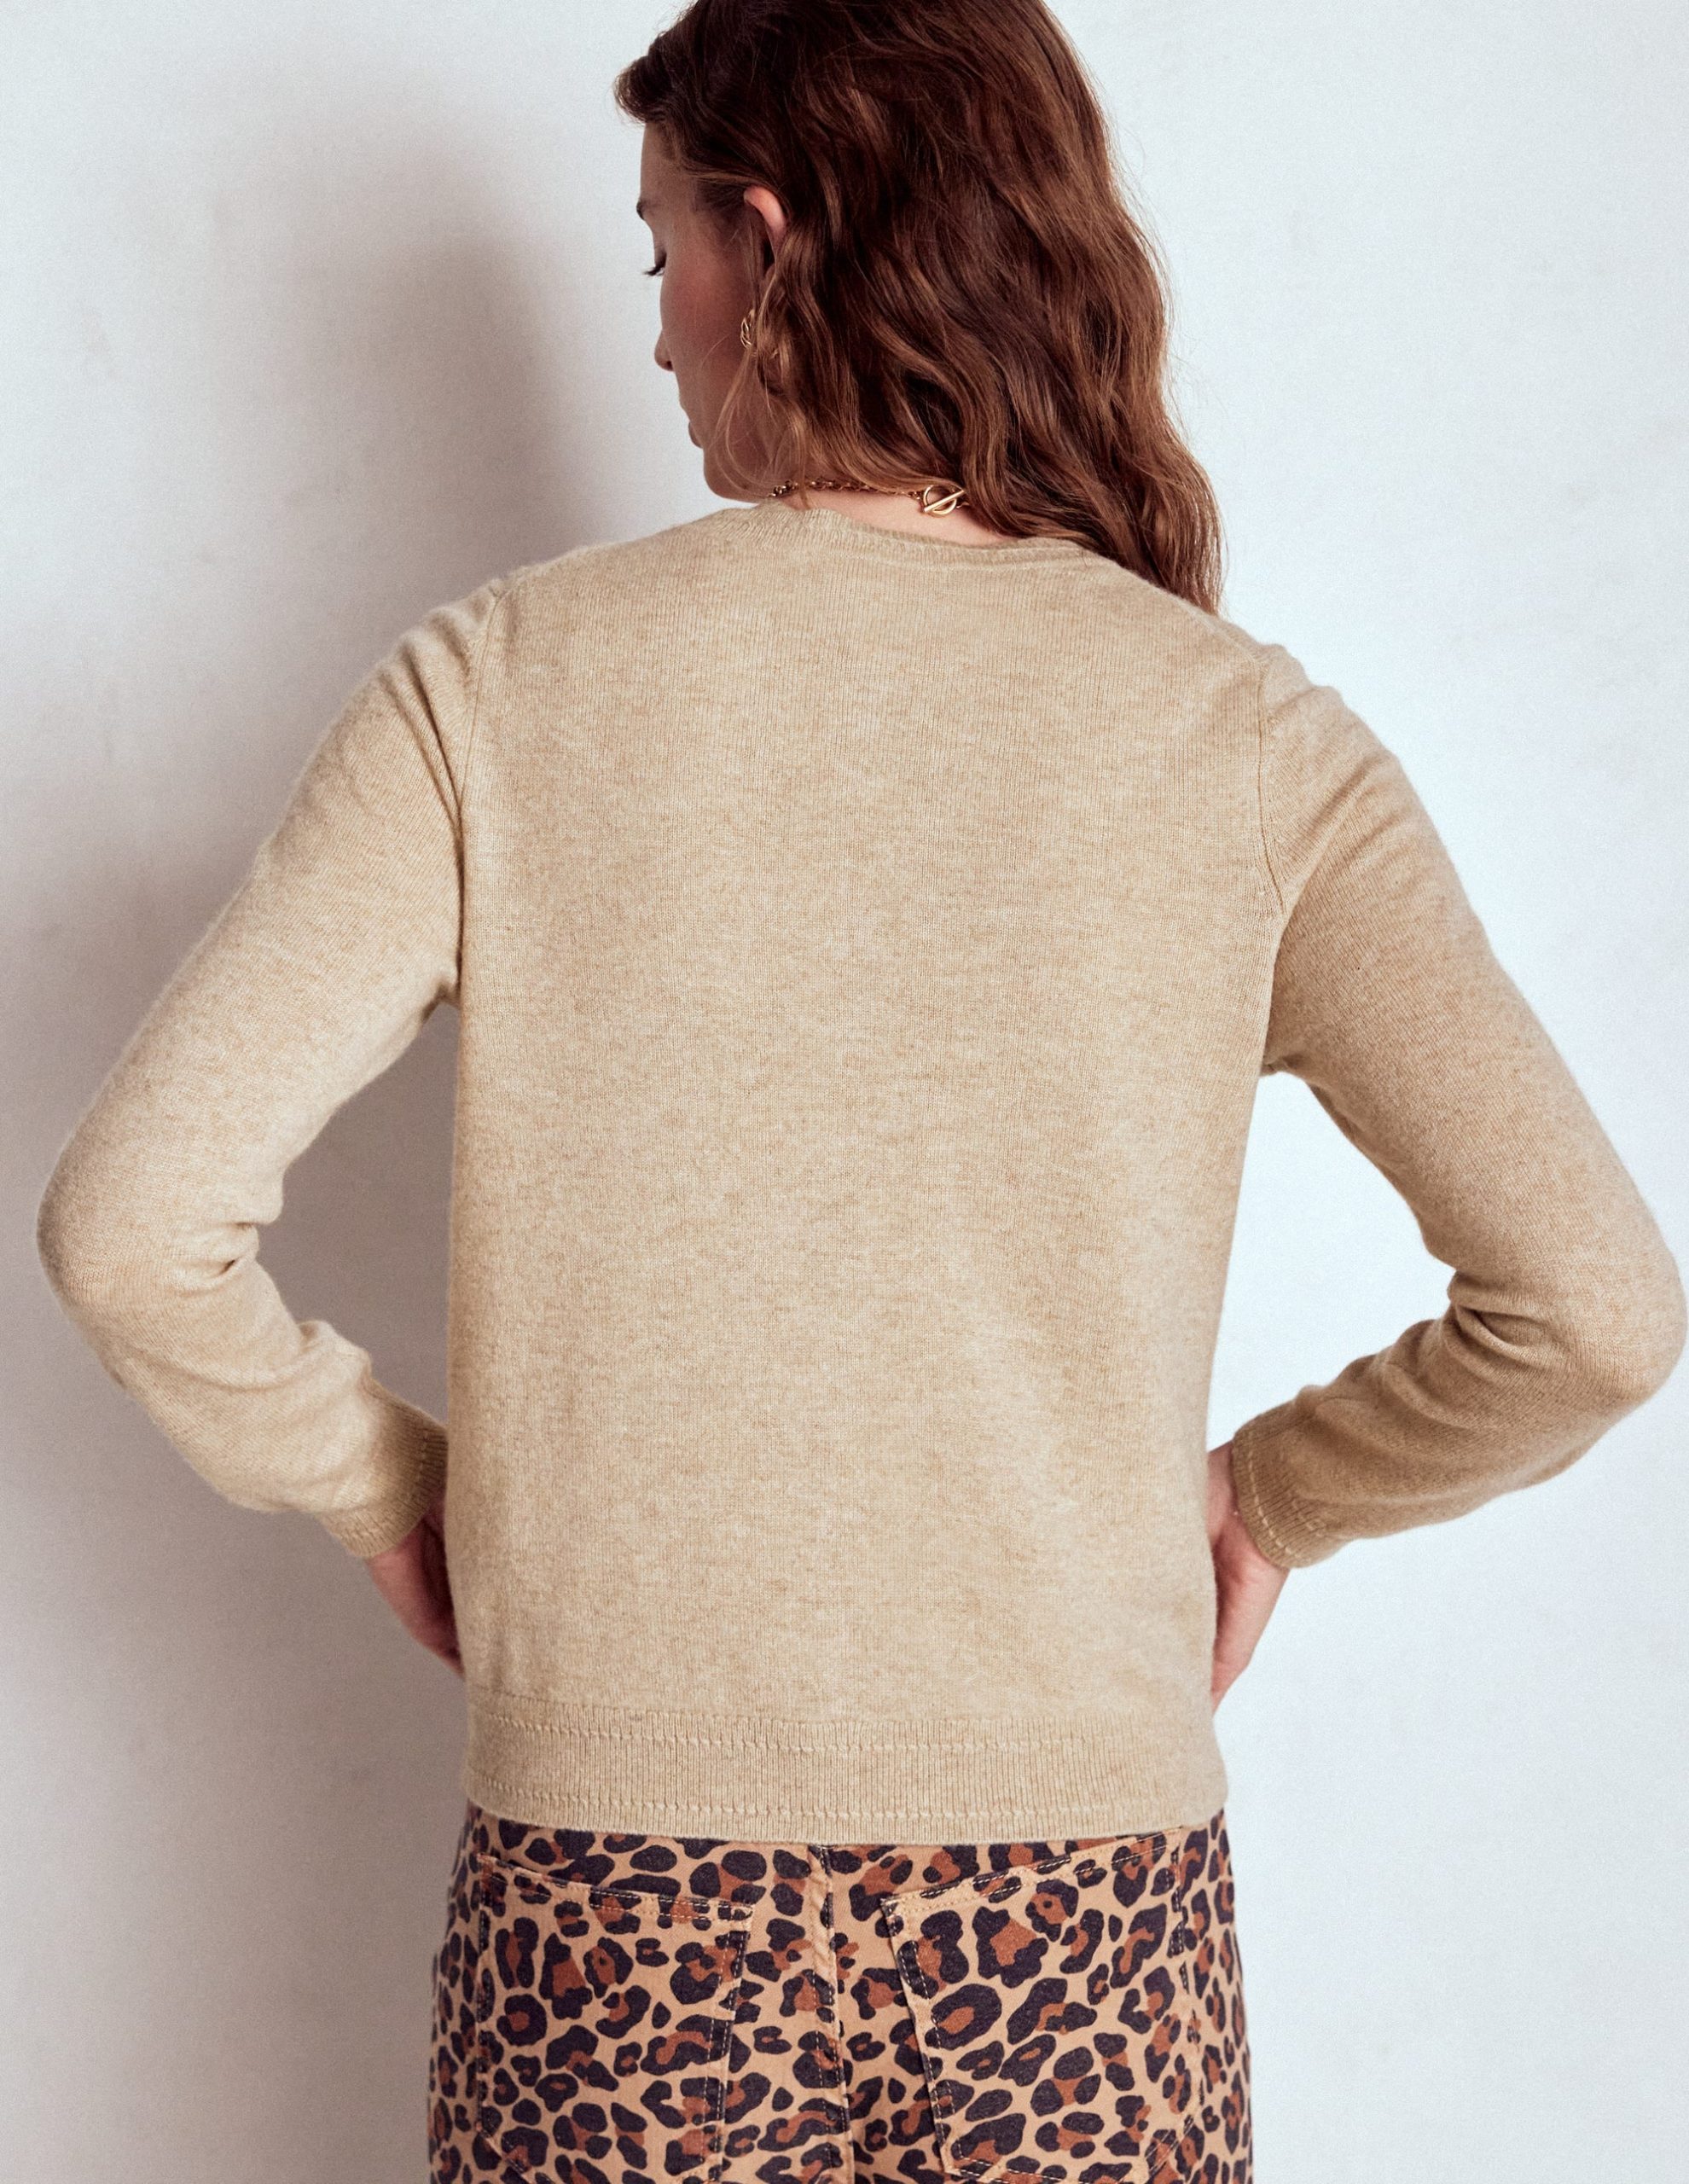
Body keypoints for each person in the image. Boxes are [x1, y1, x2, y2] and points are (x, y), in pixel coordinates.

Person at [34, 2, 1684, 2178]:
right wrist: (1268, 1500)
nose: (653, 331)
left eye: (662, 254)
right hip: (1084, 1927)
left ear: (775, 235)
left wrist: (398, 1490)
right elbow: (1596, 1307)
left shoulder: (497, 693)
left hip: (613, 1915)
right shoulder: (1250, 745)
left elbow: (129, 1223)